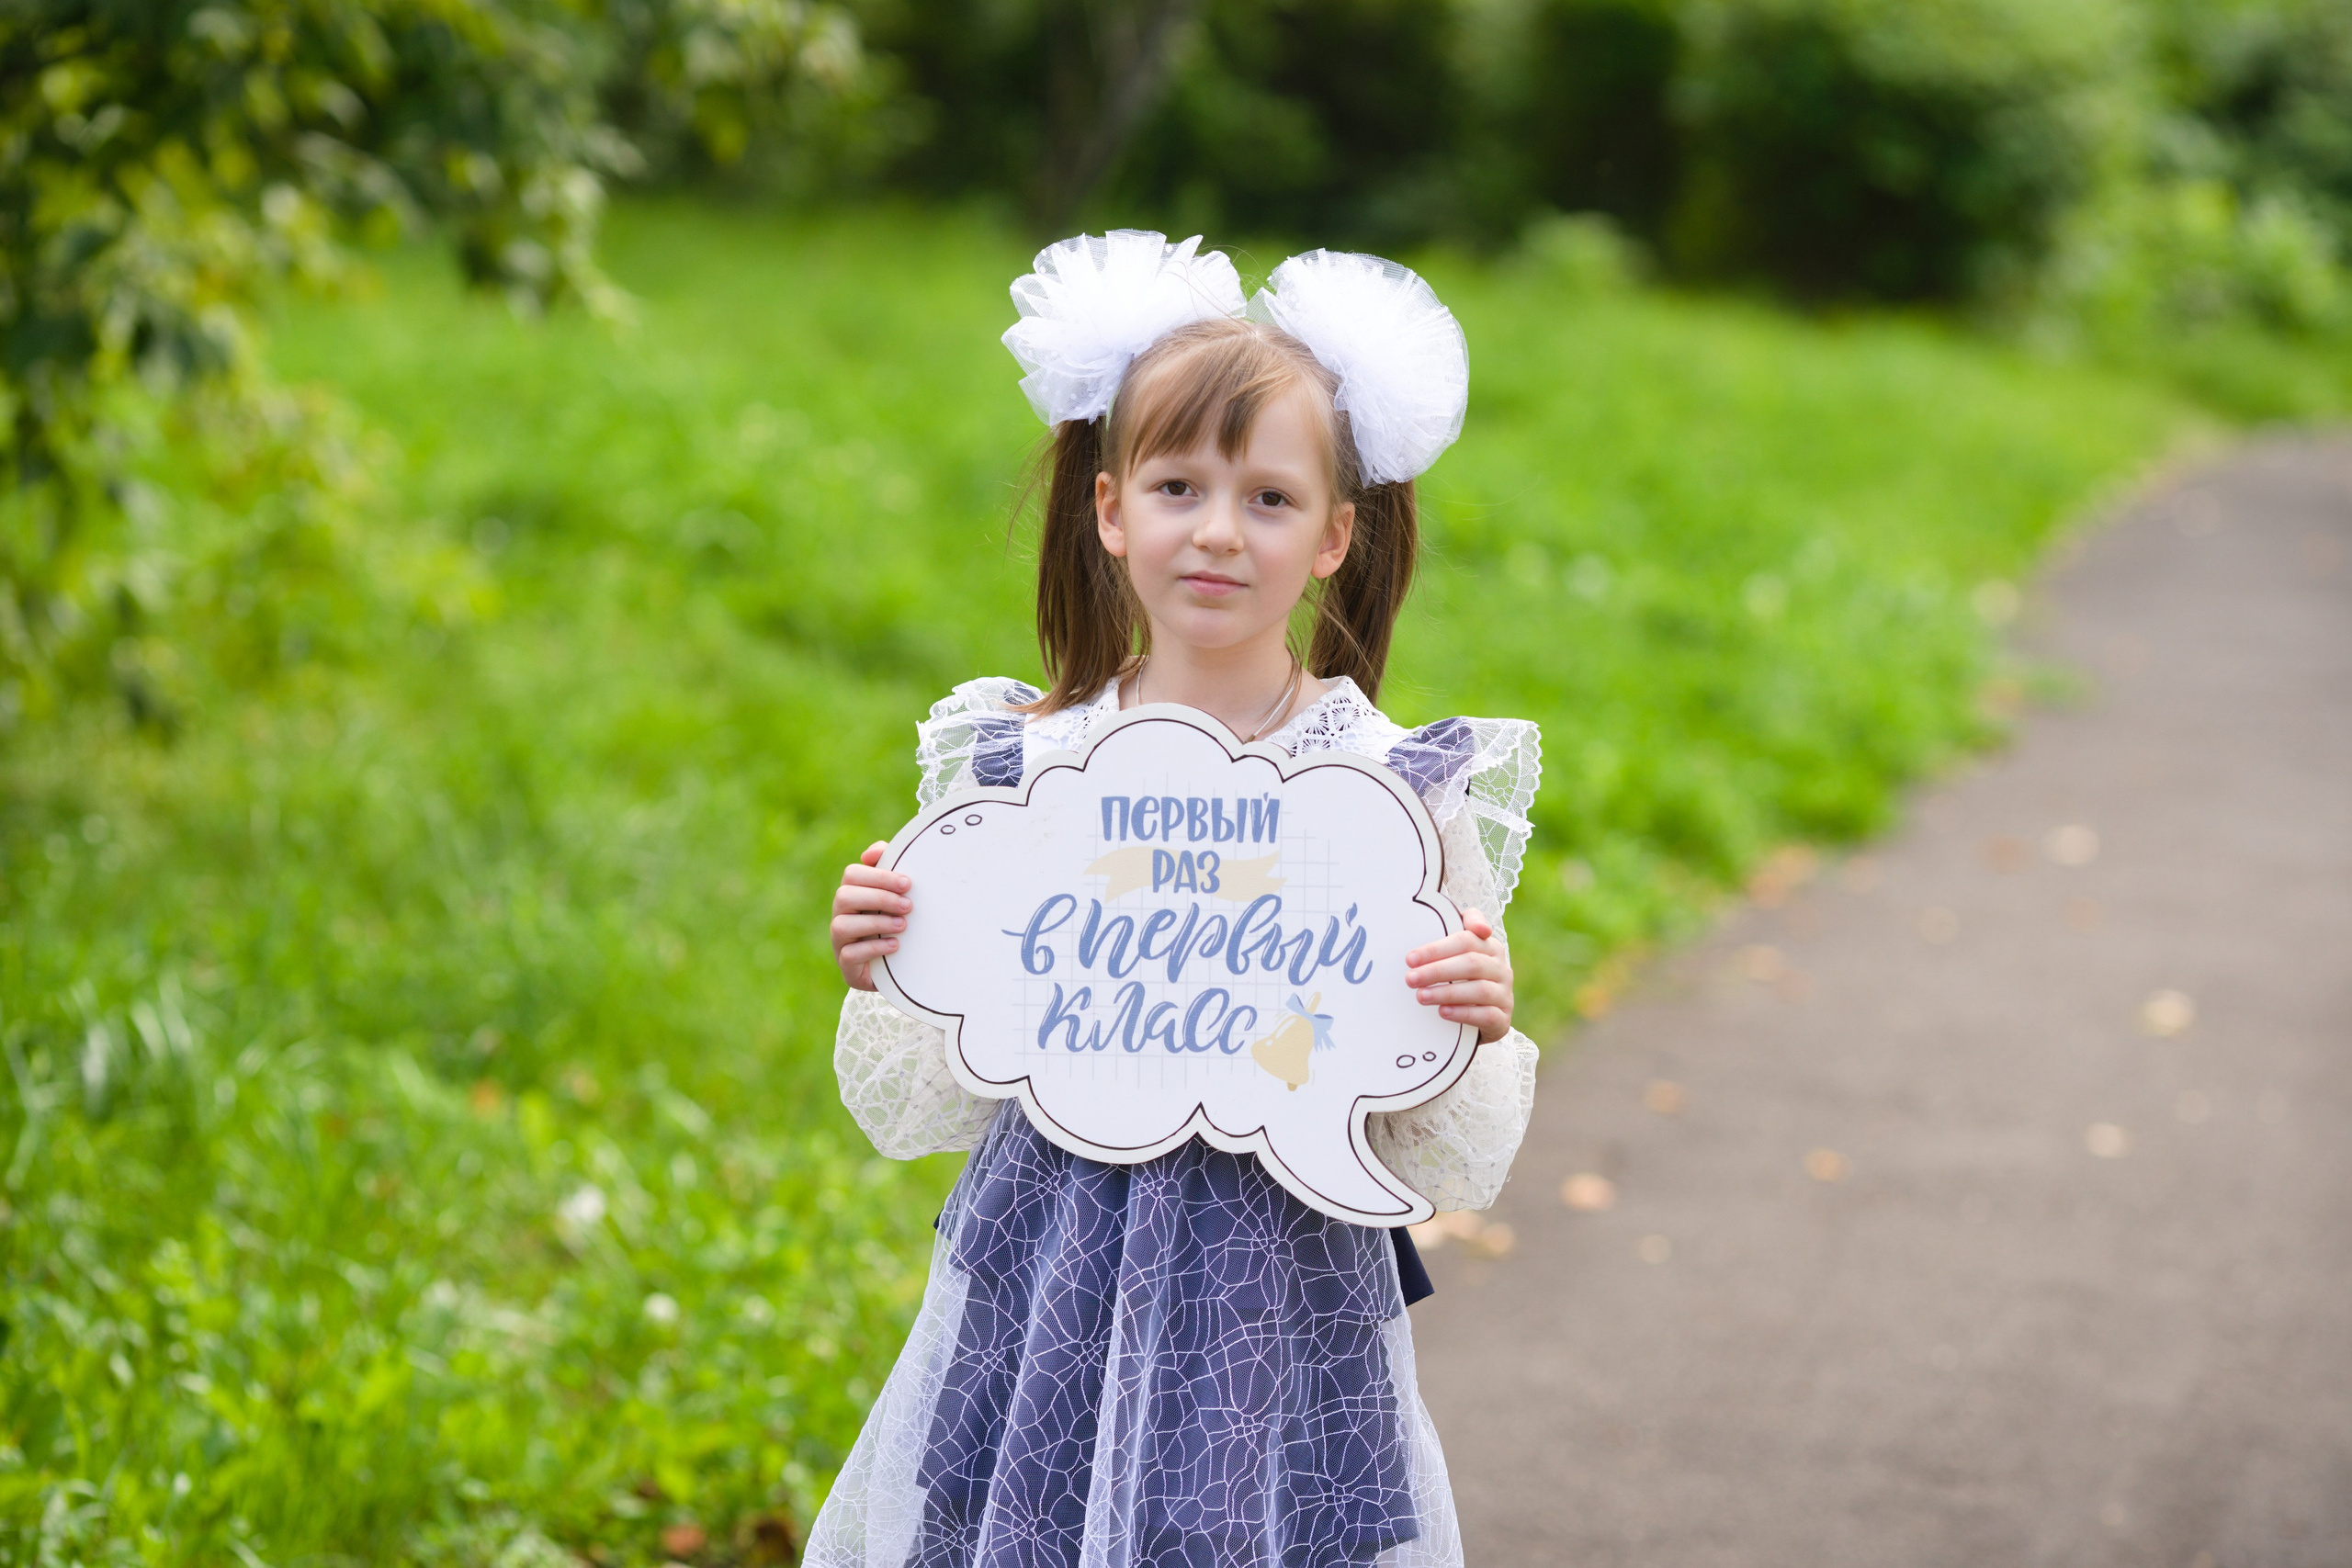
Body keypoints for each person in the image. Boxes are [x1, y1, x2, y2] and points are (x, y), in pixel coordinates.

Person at [808, 231, 1544, 1568]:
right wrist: (888, 945)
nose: (1216, 529)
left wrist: (1474, 1014)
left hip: (1280, 1275)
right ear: (1109, 510)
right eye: (1177, 485)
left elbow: (1432, 1118)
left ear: (1333, 538)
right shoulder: (1029, 767)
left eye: (1267, 498)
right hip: (1055, 1257)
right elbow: (942, 1077)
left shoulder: (1383, 790)